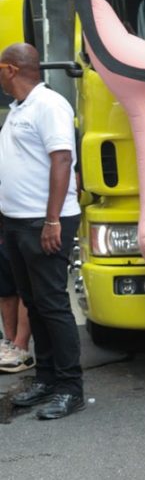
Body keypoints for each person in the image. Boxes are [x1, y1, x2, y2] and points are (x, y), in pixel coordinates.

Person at [0, 43, 84, 419]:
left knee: (52, 305)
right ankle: (47, 379)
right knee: (34, 303)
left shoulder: (49, 105)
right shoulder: (19, 109)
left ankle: (70, 387)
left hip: (45, 222)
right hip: (17, 222)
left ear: (12, 69)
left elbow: (62, 158)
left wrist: (52, 220)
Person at [0, 236, 33, 373]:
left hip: (27, 224)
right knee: (5, 287)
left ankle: (21, 348)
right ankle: (10, 344)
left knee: (25, 286)